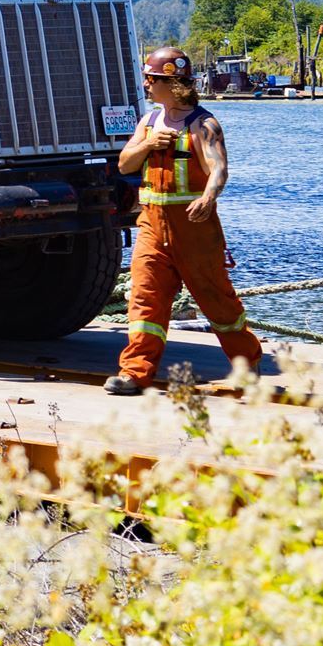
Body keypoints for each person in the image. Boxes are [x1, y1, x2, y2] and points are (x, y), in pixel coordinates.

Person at [111, 47, 259, 395]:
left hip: (194, 228)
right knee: (145, 298)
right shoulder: (148, 123)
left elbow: (218, 167)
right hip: (151, 224)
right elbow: (124, 164)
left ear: (173, 84)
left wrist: (208, 197)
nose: (146, 84)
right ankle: (135, 373)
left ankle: (246, 361)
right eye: (146, 77)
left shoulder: (203, 124)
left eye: (153, 79)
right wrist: (147, 145)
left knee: (216, 300)